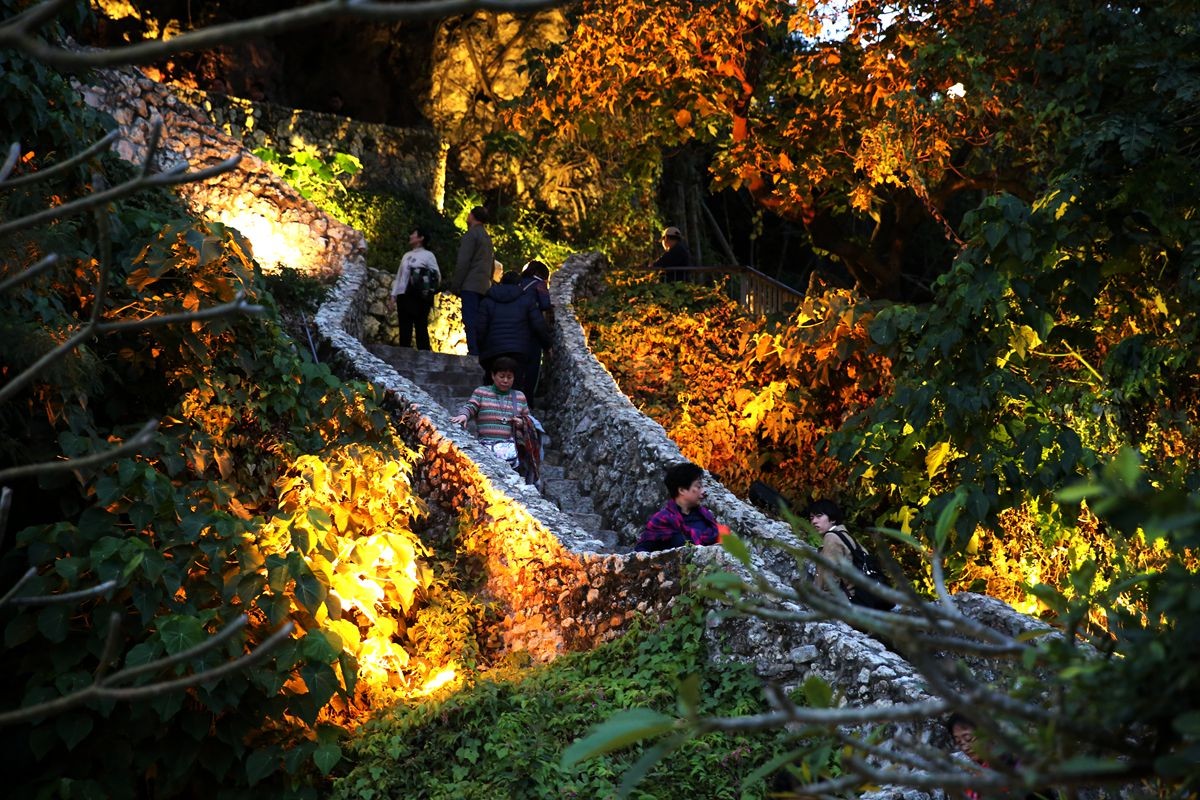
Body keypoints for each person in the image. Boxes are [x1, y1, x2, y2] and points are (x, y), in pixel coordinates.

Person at [450, 356, 533, 473]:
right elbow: (470, 406)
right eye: (502, 376)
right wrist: (464, 415)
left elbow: (528, 420)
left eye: (509, 377)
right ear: (493, 376)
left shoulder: (519, 396)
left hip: (512, 451)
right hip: (485, 448)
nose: (505, 380)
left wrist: (522, 423)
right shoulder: (481, 392)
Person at [477, 271, 552, 397]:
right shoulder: (526, 300)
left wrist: (481, 348)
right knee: (515, 385)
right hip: (518, 351)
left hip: (493, 351)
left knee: (491, 385)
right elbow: (538, 325)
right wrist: (548, 345)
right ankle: (514, 412)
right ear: (519, 284)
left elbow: (480, 328)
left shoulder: (487, 301)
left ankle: (489, 411)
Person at [635, 462, 727, 552]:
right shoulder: (662, 520)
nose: (703, 491)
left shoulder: (706, 517)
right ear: (682, 490)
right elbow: (641, 553)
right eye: (698, 486)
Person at [450, 205, 495, 355]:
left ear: (471, 216)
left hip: (470, 285)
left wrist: (456, 284)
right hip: (484, 285)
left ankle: (474, 351)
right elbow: (492, 264)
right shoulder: (487, 238)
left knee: (470, 320)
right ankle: (481, 351)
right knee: (481, 321)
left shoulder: (471, 235)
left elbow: (463, 262)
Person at [388, 226, 440, 350]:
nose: (411, 236)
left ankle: (424, 355)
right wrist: (393, 296)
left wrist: (420, 276)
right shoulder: (406, 255)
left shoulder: (428, 256)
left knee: (420, 326)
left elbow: (436, 276)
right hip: (404, 295)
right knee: (404, 328)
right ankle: (403, 354)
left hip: (420, 297)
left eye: (414, 234)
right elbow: (399, 276)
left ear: (421, 238)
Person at [518, 260, 553, 399]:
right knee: (532, 364)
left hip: (514, 328)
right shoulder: (539, 284)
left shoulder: (518, 282)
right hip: (532, 330)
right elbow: (545, 304)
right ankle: (527, 398)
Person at [809, 499, 855, 597]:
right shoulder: (844, 535)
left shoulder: (832, 537)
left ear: (833, 519)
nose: (814, 521)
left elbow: (831, 577)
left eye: (819, 516)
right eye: (812, 517)